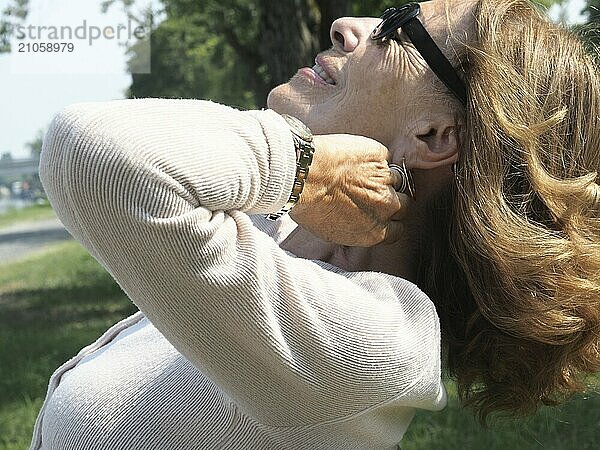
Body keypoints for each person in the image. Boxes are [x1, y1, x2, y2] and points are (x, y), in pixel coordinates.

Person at [30, 0, 600, 448]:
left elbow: (87, 155)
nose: (345, 26)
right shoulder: (280, 235)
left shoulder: (375, 346)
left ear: (434, 135)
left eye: (397, 27)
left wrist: (303, 166)